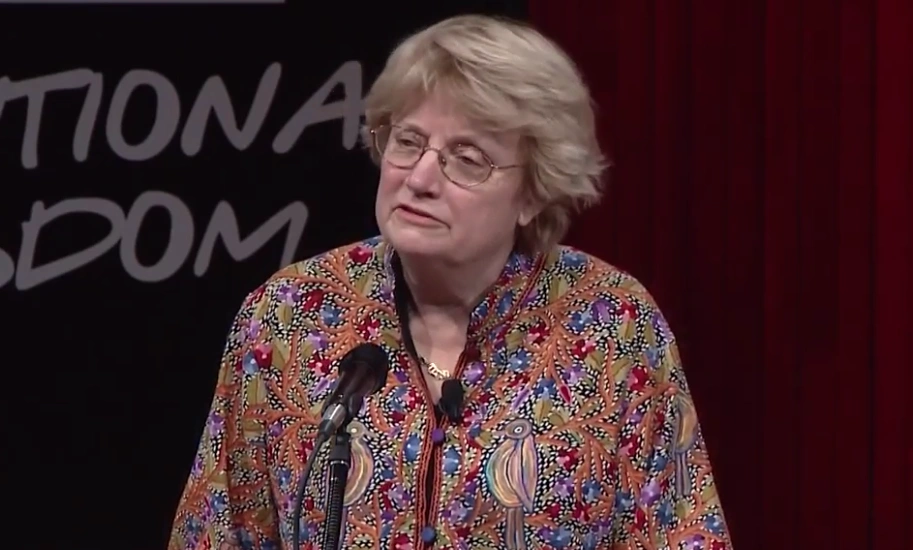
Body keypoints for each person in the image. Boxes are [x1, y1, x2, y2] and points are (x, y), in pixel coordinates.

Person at [167, 13, 734, 550]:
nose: (419, 178)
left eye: (467, 159)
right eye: (408, 142)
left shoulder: (615, 328)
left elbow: (680, 532)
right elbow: (216, 531)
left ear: (533, 191)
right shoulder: (291, 313)